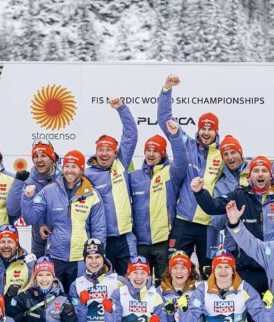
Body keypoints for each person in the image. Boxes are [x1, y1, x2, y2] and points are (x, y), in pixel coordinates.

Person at [206, 114, 274, 260]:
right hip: (237, 250)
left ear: (241, 153)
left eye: (233, 152)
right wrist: (233, 203)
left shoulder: (262, 169)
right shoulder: (221, 185)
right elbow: (217, 223)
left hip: (271, 249)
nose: (230, 157)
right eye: (225, 154)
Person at [192, 155, 274, 293]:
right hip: (247, 268)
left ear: (271, 175)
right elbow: (213, 207)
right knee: (247, 305)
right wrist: (199, 192)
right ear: (249, 176)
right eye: (256, 170)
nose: (260, 174)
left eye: (264, 170)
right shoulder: (239, 196)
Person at [157, 74, 223, 273]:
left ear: (216, 132)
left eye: (210, 129)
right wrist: (167, 89)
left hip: (209, 225)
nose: (206, 132)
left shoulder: (223, 154)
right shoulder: (187, 144)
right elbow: (165, 120)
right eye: (203, 128)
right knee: (174, 270)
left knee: (209, 272)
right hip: (184, 221)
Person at [21, 150, 106, 292]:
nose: (69, 171)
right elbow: (30, 218)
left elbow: (99, 229)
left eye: (74, 167)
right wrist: (27, 198)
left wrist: (97, 258)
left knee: (78, 297)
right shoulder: (49, 191)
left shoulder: (92, 194)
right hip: (55, 256)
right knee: (54, 297)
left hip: (81, 258)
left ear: (81, 169)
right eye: (66, 166)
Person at [83, 98, 139, 276]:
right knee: (103, 282)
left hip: (125, 236)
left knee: (130, 280)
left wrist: (121, 108)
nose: (104, 153)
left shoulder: (120, 164)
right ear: (96, 152)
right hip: (102, 239)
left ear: (115, 153)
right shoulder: (87, 175)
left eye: (108, 150)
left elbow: (131, 134)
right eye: (101, 150)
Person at [129, 121, 188, 279]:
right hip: (140, 240)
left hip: (163, 239)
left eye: (155, 151)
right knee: (141, 283)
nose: (151, 154)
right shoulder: (134, 177)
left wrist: (175, 137)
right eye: (148, 150)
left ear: (163, 154)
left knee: (164, 282)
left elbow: (182, 161)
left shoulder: (170, 172)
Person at [6, 141, 62, 257]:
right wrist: (18, 182)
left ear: (52, 158)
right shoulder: (29, 180)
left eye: (43, 155)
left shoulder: (64, 179)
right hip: (39, 243)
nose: (39, 160)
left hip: (62, 243)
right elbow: (12, 210)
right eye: (36, 156)